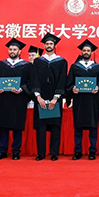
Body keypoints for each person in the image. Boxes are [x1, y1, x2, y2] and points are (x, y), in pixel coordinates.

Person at [0, 38, 32, 160]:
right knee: (3, 126)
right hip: (4, 99)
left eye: (15, 49)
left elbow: (30, 82)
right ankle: (2, 151)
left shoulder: (26, 66)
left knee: (17, 127)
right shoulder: (1, 65)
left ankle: (16, 151)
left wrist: (22, 89)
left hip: (18, 100)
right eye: (10, 49)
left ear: (20, 51)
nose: (12, 51)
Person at [66, 39, 99, 160]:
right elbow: (69, 83)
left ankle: (92, 151)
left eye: (88, 50)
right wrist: (72, 89)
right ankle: (78, 151)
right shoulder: (75, 67)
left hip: (92, 101)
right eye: (84, 50)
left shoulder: (98, 67)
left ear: (91, 52)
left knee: (93, 128)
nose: (86, 52)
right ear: (81, 52)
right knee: (78, 127)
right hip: (79, 101)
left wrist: (98, 88)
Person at [31, 33, 67, 161]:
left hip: (55, 98)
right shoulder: (38, 61)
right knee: (41, 127)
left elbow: (62, 80)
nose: (49, 45)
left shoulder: (61, 62)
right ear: (44, 46)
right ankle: (41, 153)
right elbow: (34, 79)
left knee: (55, 126)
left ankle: (54, 153)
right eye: (47, 44)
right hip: (40, 98)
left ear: (55, 46)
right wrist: (38, 96)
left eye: (51, 43)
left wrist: (56, 98)